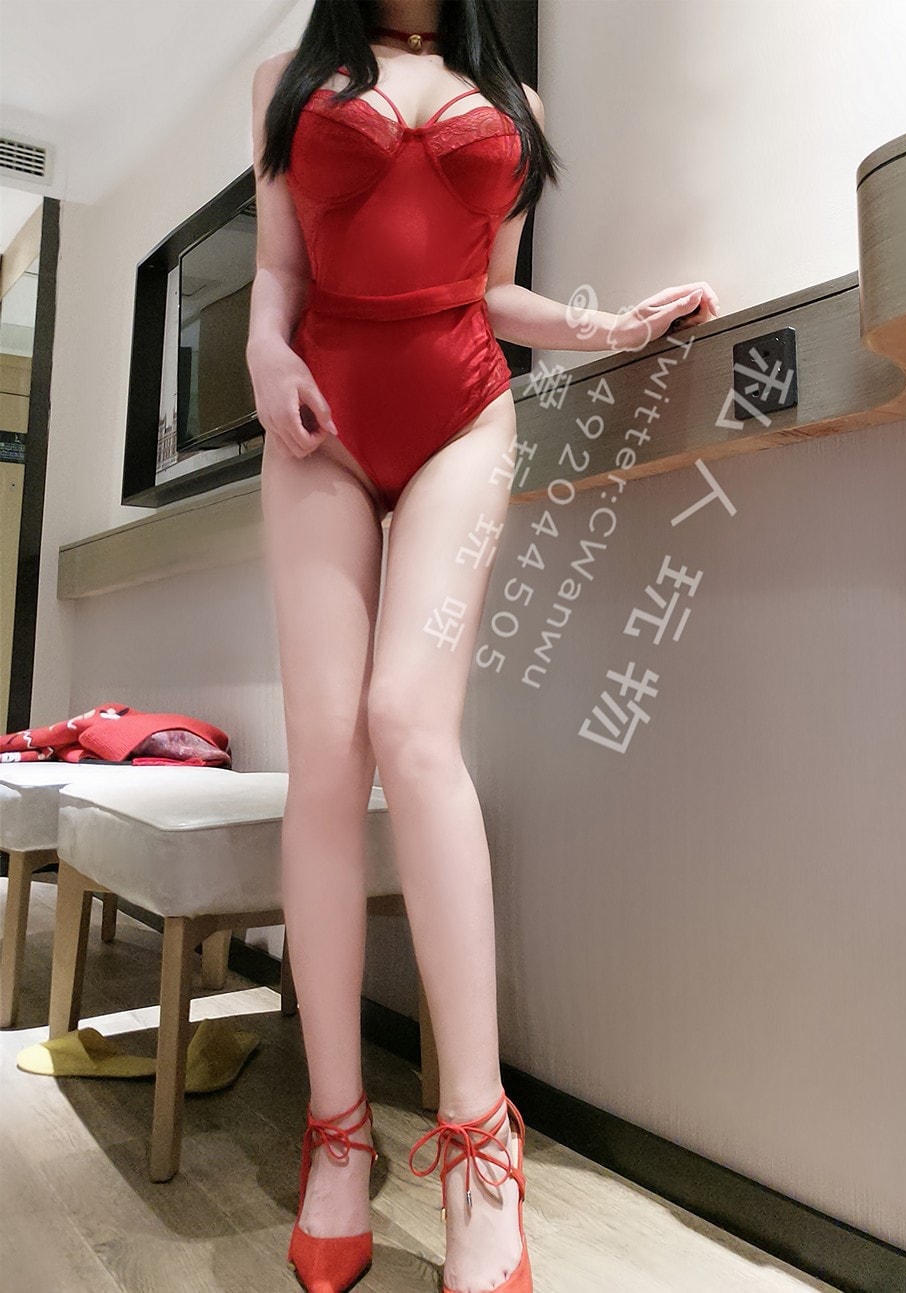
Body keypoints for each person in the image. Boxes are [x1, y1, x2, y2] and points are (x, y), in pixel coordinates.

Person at [247, 2, 720, 1289]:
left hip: (463, 411)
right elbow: (279, 268)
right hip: (318, 421)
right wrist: (261, 352)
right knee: (326, 754)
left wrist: (609, 328)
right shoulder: (286, 77)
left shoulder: (513, 100)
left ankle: (477, 1144)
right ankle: (336, 1132)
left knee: (409, 721)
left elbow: (489, 289)